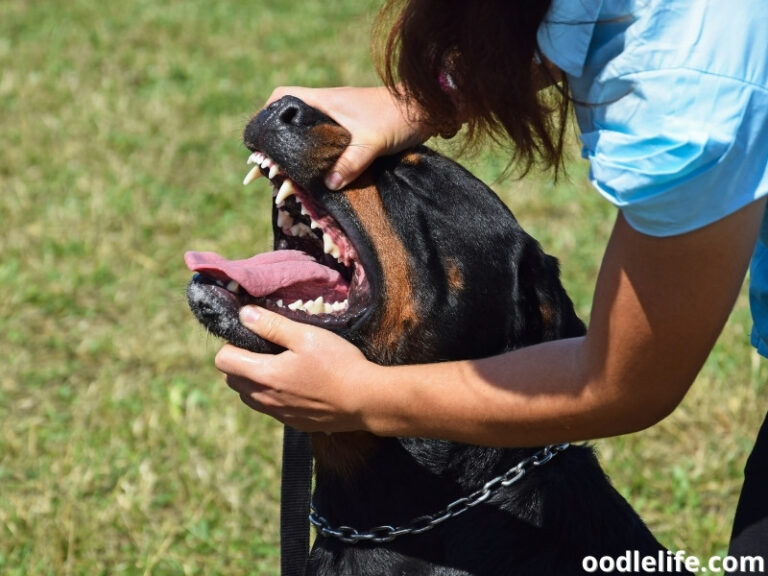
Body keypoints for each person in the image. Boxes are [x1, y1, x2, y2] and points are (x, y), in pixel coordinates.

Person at [214, 0, 768, 565]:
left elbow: (628, 382)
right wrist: (424, 99)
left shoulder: (690, 91)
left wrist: (356, 396)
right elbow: (576, 20)